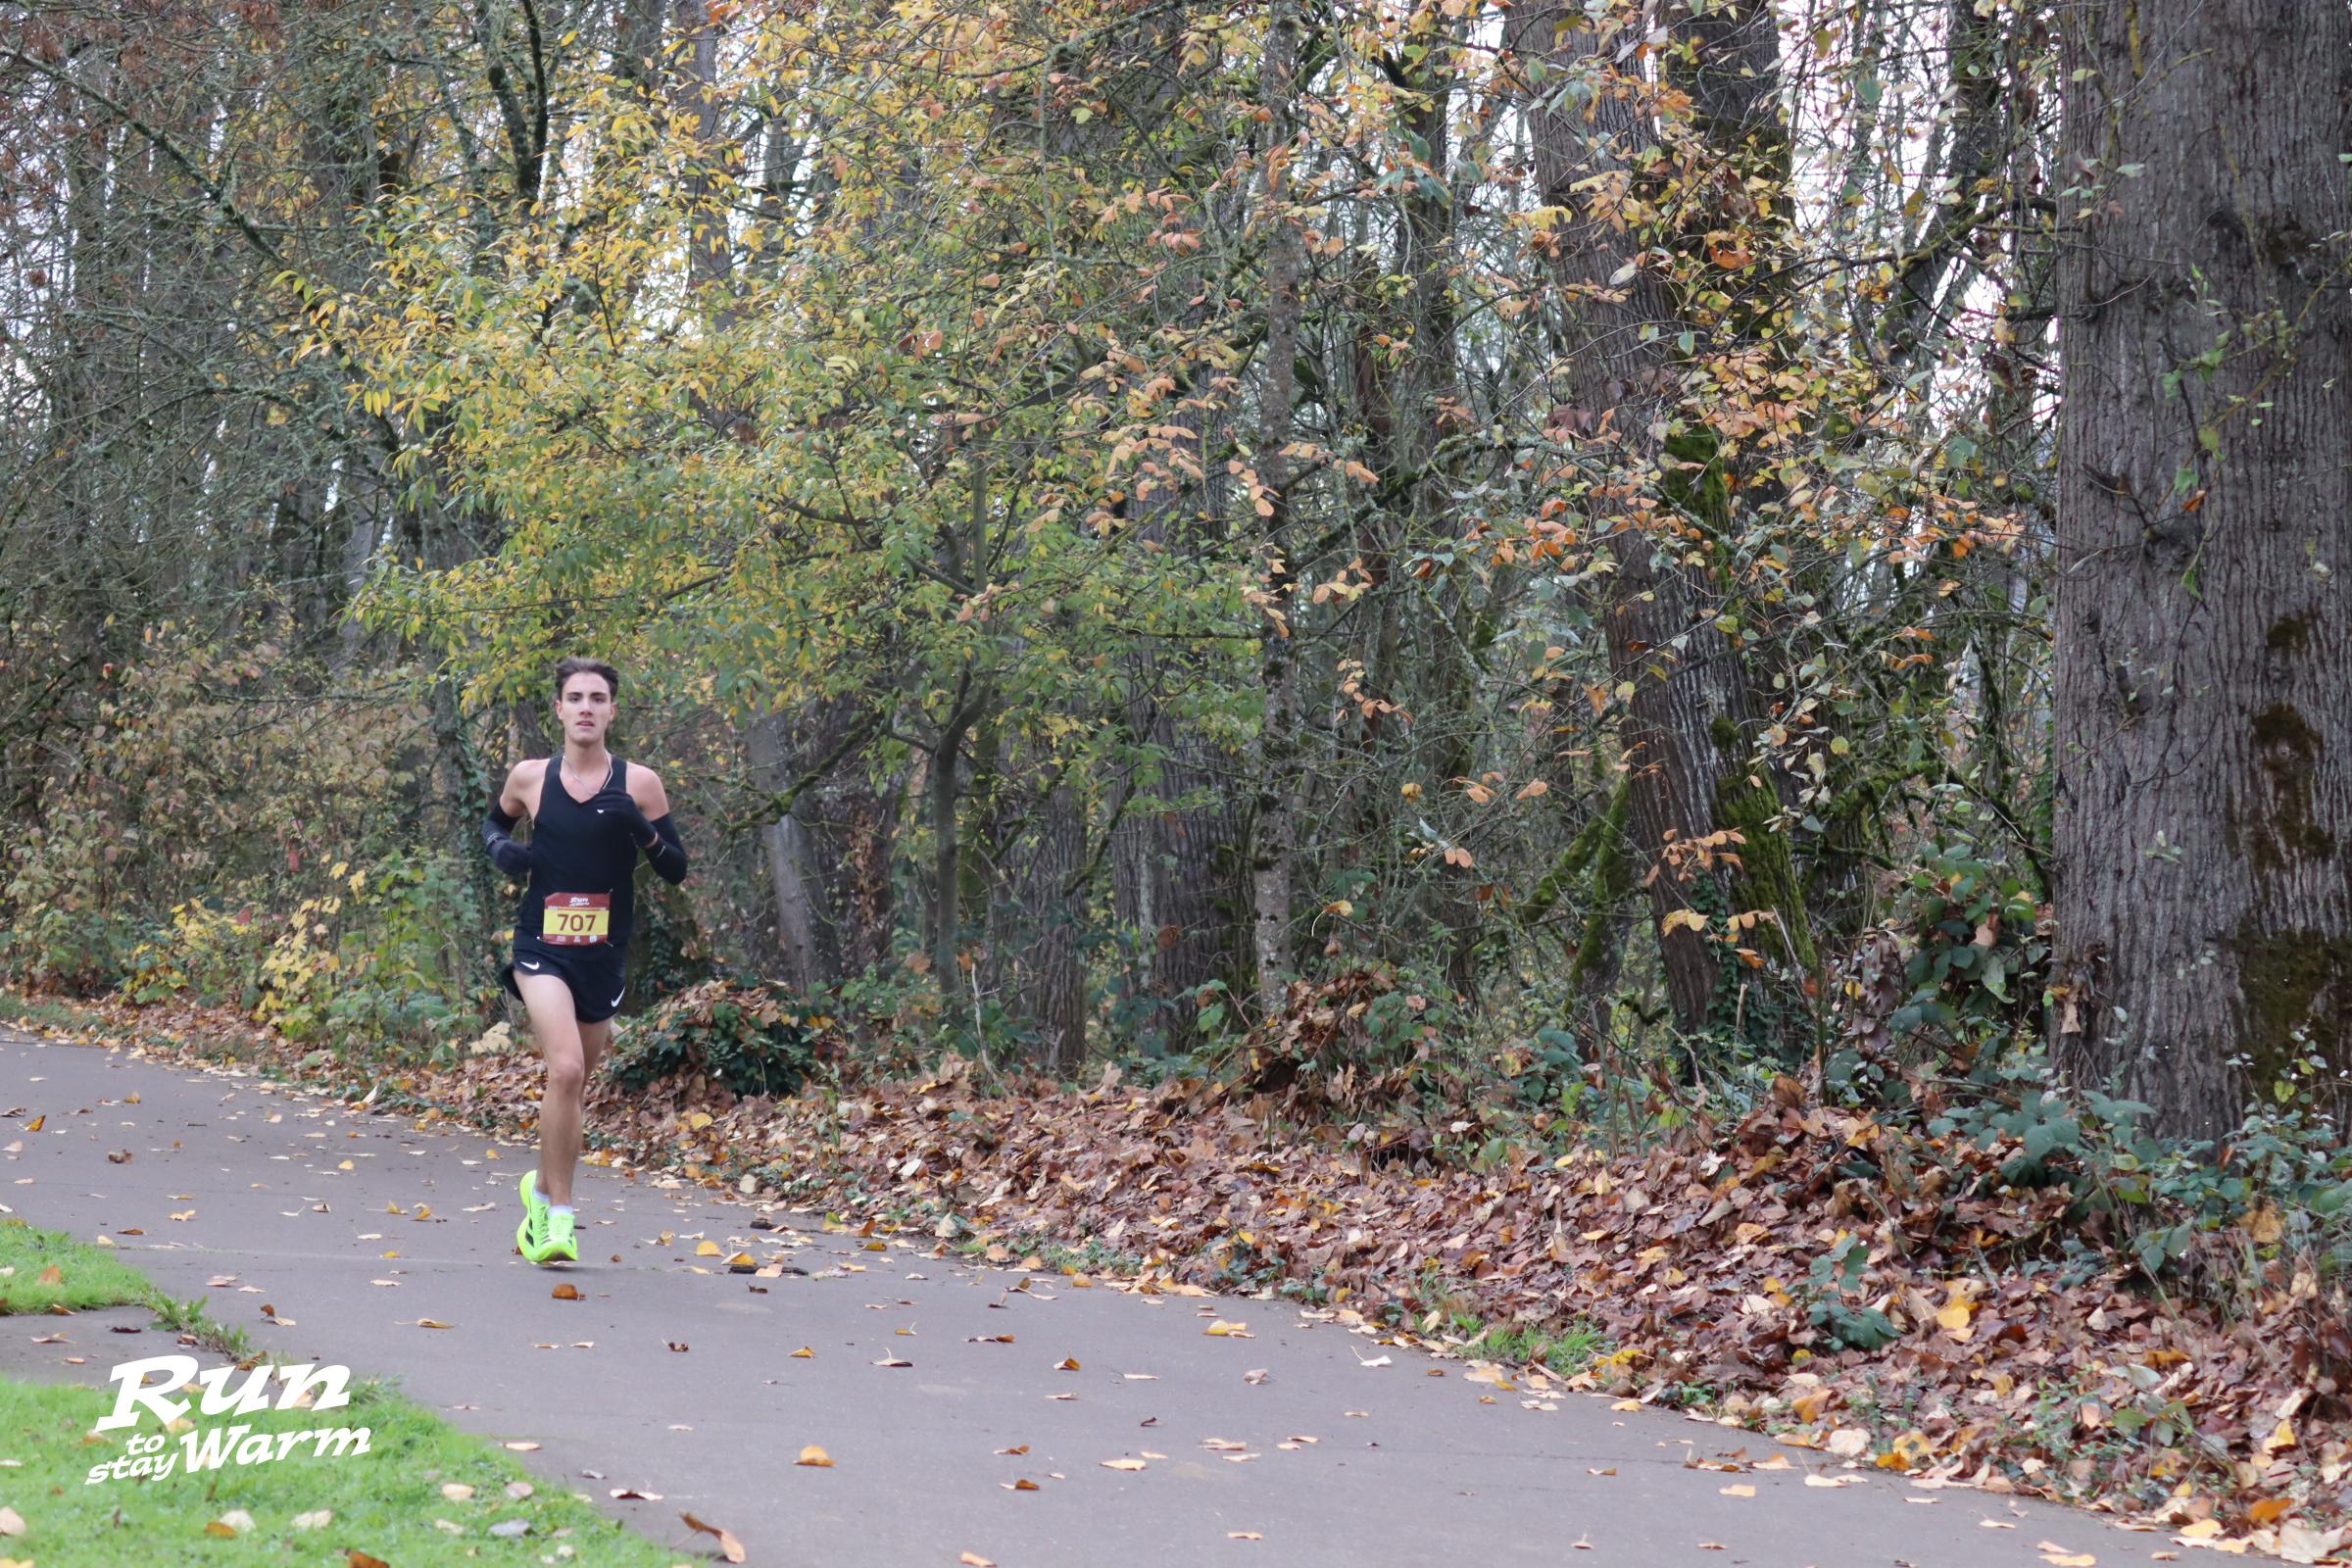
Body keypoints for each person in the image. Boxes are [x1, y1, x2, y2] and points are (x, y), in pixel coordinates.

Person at [481, 656, 689, 1264]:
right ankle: (560, 1220)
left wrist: (643, 830)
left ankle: (541, 1190)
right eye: (575, 698)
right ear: (559, 709)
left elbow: (677, 869)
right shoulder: (530, 777)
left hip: (603, 953)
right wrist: (501, 850)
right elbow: (493, 825)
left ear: (612, 711)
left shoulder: (640, 783)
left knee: (573, 1087)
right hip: (540, 946)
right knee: (566, 1069)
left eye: (597, 698)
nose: (586, 708)